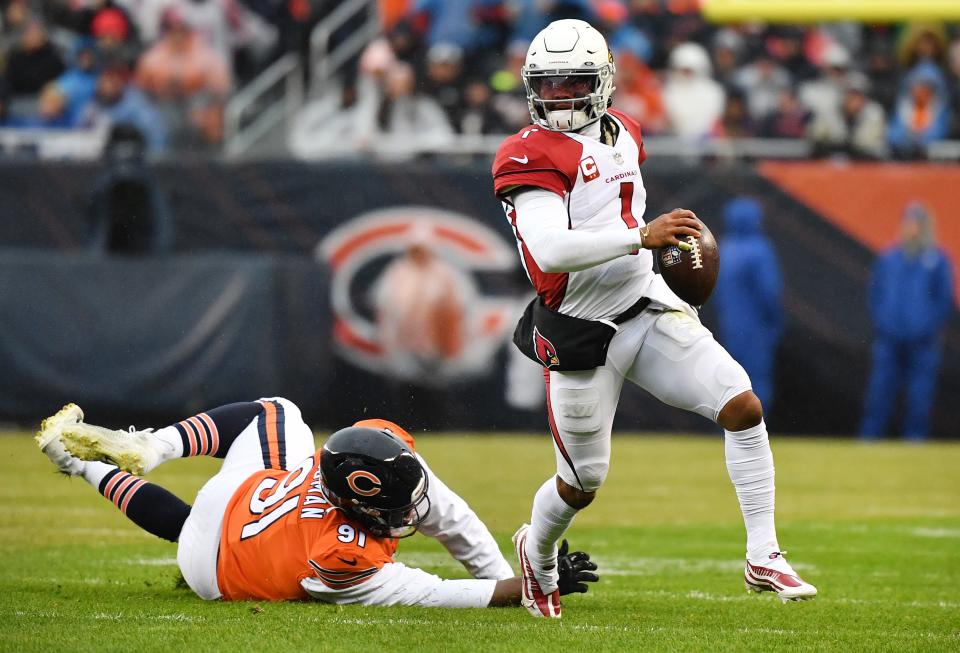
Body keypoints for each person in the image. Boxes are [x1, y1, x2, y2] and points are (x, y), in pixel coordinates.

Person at [491, 19, 816, 619]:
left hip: (644, 303)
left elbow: (623, 217)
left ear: (604, 82)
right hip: (580, 328)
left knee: (741, 404)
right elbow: (550, 250)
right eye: (549, 83)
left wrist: (663, 256)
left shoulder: (626, 132)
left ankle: (763, 553)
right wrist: (642, 236)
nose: (560, 95)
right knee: (580, 484)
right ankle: (536, 554)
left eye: (574, 81)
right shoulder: (526, 152)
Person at [36, 400, 598, 606]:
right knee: (187, 528)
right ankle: (83, 463)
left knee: (277, 411)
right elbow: (441, 592)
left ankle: (148, 447)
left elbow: (450, 518)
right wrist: (528, 583)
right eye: (399, 509)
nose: (413, 512)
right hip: (211, 566)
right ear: (356, 506)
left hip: (248, 496)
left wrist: (517, 574)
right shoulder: (342, 558)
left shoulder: (376, 457)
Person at [859, 203, 955, 440]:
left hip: (922, 342)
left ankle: (915, 439)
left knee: (919, 396)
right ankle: (870, 439)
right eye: (908, 222)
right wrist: (884, 322)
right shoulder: (890, 258)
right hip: (889, 340)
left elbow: (943, 299)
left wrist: (927, 327)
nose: (911, 228)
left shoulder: (938, 260)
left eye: (916, 223)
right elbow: (876, 294)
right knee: (880, 392)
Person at [714, 198, 783, 410]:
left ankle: (728, 432)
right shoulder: (759, 250)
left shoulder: (723, 249)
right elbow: (769, 292)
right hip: (756, 327)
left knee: (728, 383)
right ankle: (755, 433)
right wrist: (775, 322)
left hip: (728, 325)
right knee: (756, 382)